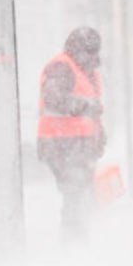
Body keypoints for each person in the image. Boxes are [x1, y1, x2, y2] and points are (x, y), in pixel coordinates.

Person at [37, 26, 105, 243]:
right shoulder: (60, 67)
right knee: (75, 193)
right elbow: (53, 99)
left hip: (78, 145)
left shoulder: (88, 71)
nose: (93, 57)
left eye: (95, 51)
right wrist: (85, 106)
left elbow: (92, 111)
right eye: (88, 51)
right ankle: (73, 246)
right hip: (59, 143)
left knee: (83, 195)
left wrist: (99, 134)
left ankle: (78, 242)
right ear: (76, 49)